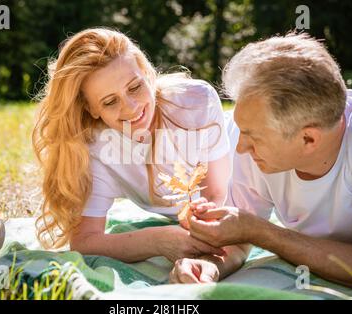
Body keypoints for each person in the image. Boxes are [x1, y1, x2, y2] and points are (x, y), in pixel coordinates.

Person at [170, 33, 352, 289]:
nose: (241, 147)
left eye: (253, 137)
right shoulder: (252, 136)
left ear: (309, 140)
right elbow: (237, 237)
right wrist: (209, 266)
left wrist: (262, 232)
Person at [32, 28, 248, 265]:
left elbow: (216, 192)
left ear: (147, 73)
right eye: (110, 101)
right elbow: (84, 241)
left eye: (134, 87)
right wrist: (157, 241)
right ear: (91, 109)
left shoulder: (196, 100)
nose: (131, 108)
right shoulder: (94, 146)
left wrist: (200, 227)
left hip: (245, 160)